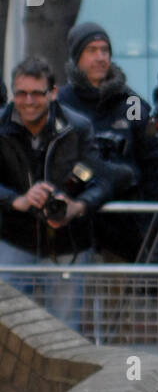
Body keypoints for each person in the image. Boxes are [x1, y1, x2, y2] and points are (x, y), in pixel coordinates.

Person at [0, 56, 113, 327]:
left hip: (67, 243)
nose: (28, 101)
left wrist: (76, 206)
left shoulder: (79, 127)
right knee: (9, 329)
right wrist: (18, 200)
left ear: (52, 93)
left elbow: (101, 179)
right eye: (21, 93)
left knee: (64, 330)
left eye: (36, 93)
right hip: (14, 239)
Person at [57, 22, 158, 259]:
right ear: (77, 56)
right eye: (92, 50)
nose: (100, 57)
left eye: (105, 50)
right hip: (75, 229)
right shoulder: (62, 104)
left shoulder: (131, 103)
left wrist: (153, 224)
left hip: (126, 228)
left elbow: (154, 164)